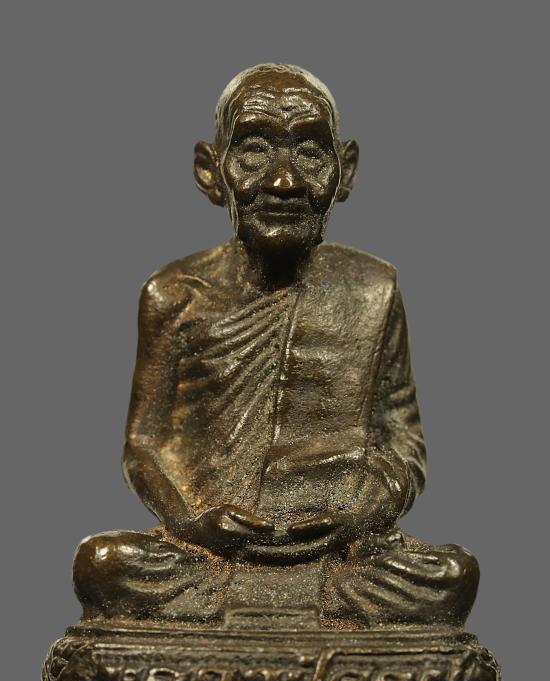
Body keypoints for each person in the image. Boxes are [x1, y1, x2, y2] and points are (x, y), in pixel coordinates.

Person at [74, 64, 478, 626]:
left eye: (310, 154)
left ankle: (257, 613)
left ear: (345, 171)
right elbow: (144, 445)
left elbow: (403, 441)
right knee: (103, 565)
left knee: (451, 575)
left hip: (339, 550)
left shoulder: (372, 288)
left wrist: (362, 512)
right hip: (214, 546)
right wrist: (190, 522)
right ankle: (294, 613)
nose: (284, 182)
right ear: (211, 171)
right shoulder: (174, 295)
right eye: (254, 152)